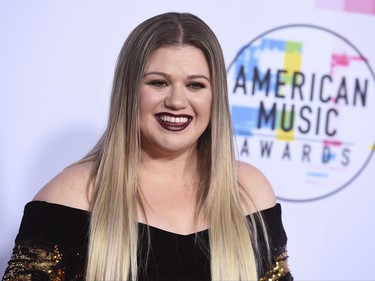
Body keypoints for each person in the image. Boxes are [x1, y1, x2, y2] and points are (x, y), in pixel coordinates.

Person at [3, 12, 293, 281]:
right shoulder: (72, 196)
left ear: (215, 96)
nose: (177, 101)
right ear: (129, 92)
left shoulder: (249, 192)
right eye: (158, 83)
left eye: (195, 85)